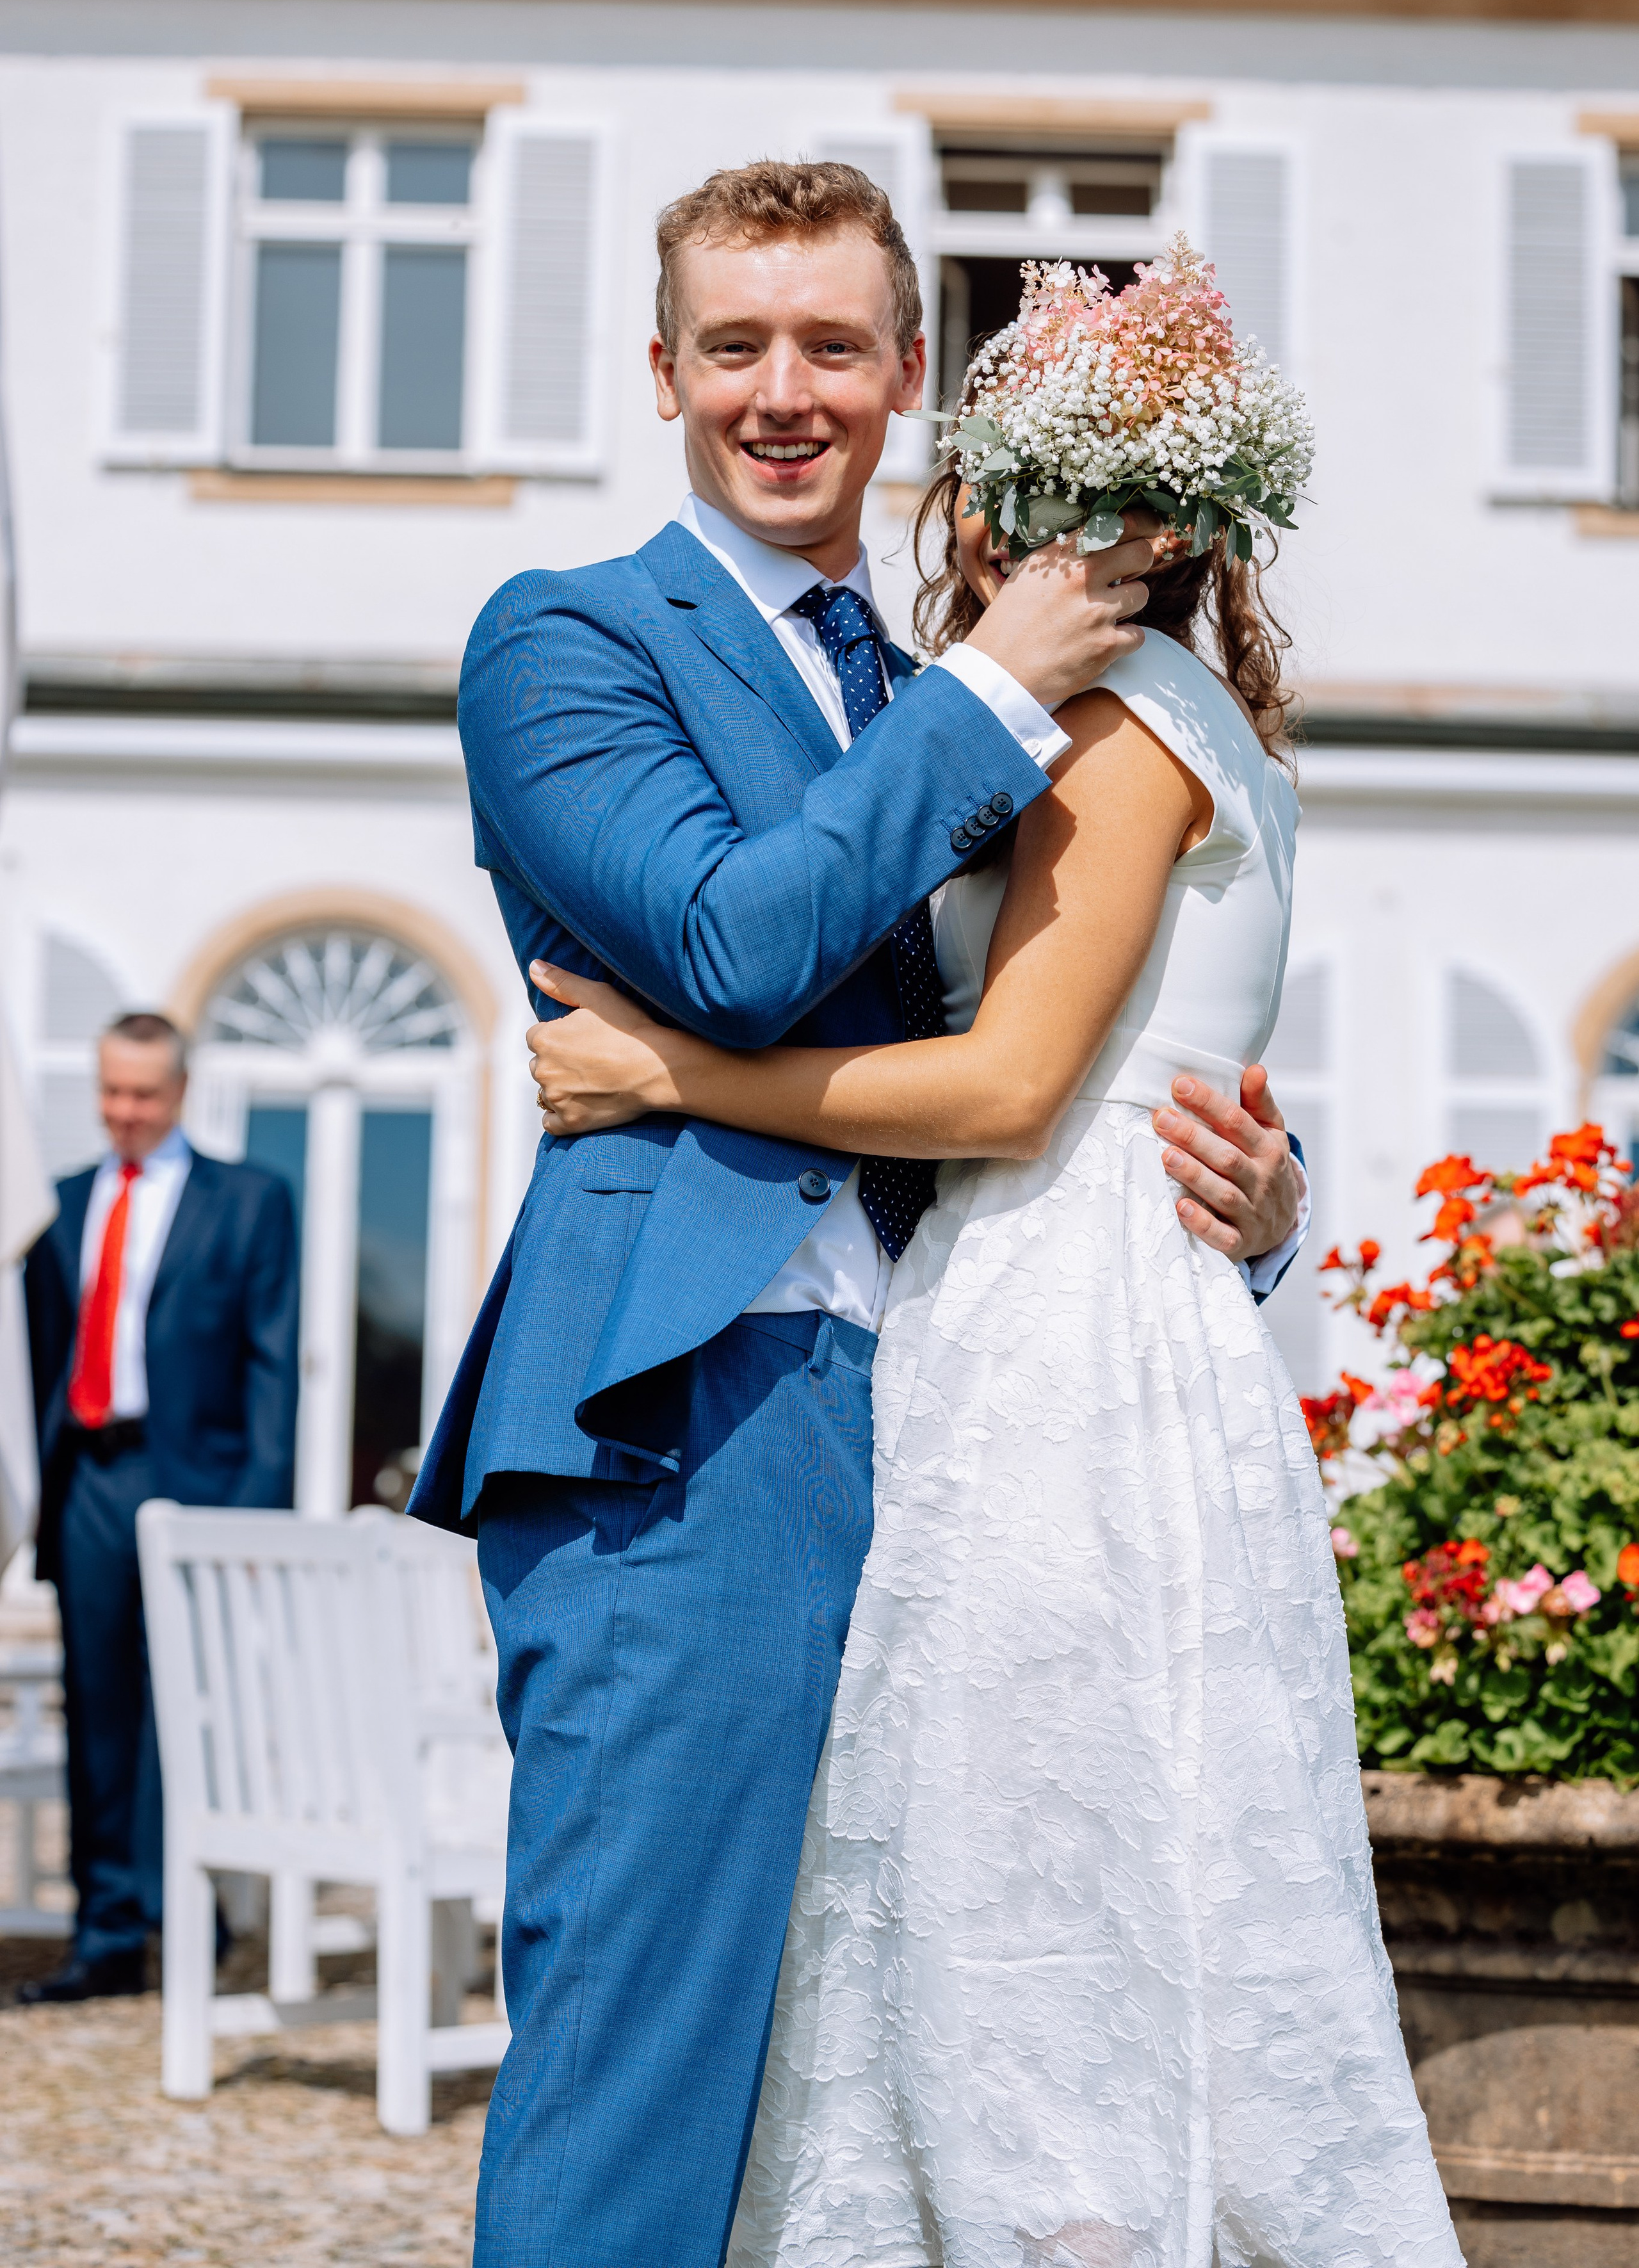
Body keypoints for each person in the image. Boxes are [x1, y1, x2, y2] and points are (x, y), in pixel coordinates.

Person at [407, 159, 1304, 2268]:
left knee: (883, 2082)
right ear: (663, 372)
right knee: (647, 2070)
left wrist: (1249, 1204)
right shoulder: (570, 642)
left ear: (909, 374)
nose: (781, 390)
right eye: (735, 345)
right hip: (683, 1433)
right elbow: (726, 942)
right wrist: (999, 686)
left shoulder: (941, 699)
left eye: (831, 344)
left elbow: (1031, 1056)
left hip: (957, 1436)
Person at [523, 464, 1460, 2264]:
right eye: (988, 503)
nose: (982, 543)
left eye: (1019, 507)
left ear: (1137, 537)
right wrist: (1267, 1209)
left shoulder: (1116, 727)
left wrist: (667, 1074)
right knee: (1066, 1829)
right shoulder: (1196, 723)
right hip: (1082, 1303)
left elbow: (1018, 1089)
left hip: (1067, 1328)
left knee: (1043, 1838)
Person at [20, 1010, 298, 2003]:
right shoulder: (53, 1211)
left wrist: (256, 1516)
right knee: (98, 1707)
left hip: (197, 1481)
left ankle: (187, 1912)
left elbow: (275, 1370)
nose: (124, 1113)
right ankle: (105, 1934)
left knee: (185, 1710)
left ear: (180, 1093)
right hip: (91, 1477)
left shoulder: (252, 1201)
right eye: (110, 1092)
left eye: (142, 1094)